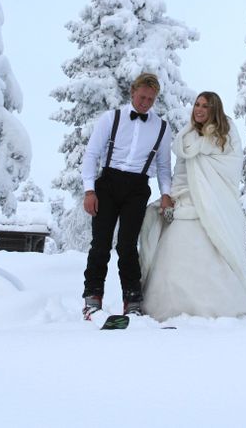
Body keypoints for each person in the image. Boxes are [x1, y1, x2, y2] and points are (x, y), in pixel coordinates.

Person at [139, 91, 246, 320]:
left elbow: (230, 171)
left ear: (215, 110)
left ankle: (219, 307)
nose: (199, 109)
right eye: (197, 104)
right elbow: (180, 173)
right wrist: (171, 195)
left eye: (205, 106)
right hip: (186, 205)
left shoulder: (226, 136)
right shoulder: (186, 138)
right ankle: (169, 308)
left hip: (214, 206)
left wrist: (207, 195)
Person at [80, 73, 174, 319]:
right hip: (108, 184)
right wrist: (89, 190)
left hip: (137, 188)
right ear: (132, 92)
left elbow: (164, 167)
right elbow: (91, 155)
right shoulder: (111, 118)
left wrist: (166, 194)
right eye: (142, 97)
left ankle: (132, 301)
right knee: (100, 244)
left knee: (127, 245)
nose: (145, 103)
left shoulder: (162, 128)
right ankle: (92, 298)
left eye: (150, 99)